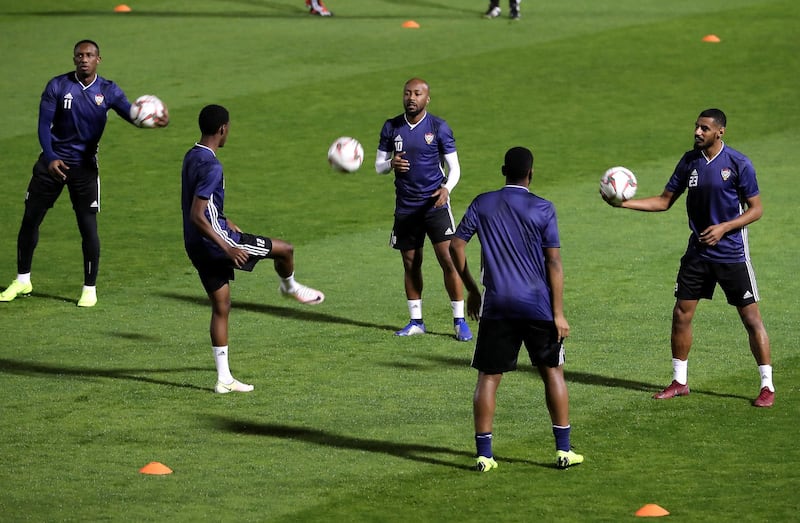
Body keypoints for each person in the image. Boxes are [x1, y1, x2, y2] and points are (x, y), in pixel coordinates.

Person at [602, 108, 774, 408]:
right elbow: (664, 201)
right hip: (698, 253)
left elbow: (756, 209)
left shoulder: (738, 163)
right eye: (696, 127)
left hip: (731, 253)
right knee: (681, 312)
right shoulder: (689, 161)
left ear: (719, 132)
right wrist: (624, 205)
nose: (697, 132)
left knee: (750, 318)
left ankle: (767, 386)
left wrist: (724, 228)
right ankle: (679, 382)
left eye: (704, 128)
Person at [0, 39, 169, 307]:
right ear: (74, 59)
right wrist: (52, 157)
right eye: (79, 55)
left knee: (87, 227)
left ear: (98, 60)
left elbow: (132, 115)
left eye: (89, 55)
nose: (84, 59)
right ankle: (23, 279)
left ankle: (89, 289)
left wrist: (156, 121)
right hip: (51, 165)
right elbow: (44, 126)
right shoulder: (57, 86)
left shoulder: (108, 90)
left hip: (85, 169)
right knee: (30, 220)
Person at [450, 146, 584, 471]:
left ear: (502, 170)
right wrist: (559, 312)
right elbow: (553, 261)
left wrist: (472, 289)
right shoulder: (543, 208)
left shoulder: (483, 203)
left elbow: (455, 245)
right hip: (538, 306)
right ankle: (563, 451)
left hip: (497, 307)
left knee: (488, 378)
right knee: (552, 372)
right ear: (531, 173)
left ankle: (484, 455)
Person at [182, 104, 325, 394]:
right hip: (215, 243)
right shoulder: (213, 165)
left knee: (221, 306)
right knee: (285, 249)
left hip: (195, 243)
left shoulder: (192, 155)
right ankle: (289, 286)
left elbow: (205, 206)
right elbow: (198, 213)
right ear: (223, 128)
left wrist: (226, 221)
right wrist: (228, 246)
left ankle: (223, 379)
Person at [375, 78, 473, 342]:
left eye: (417, 94)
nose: (411, 98)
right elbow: (378, 166)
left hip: (434, 205)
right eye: (408, 93)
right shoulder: (391, 126)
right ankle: (416, 321)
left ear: (427, 99)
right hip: (406, 207)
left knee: (448, 260)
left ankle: (459, 321)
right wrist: (391, 164)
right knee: (410, 263)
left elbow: (455, 169)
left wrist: (446, 190)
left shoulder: (438, 127)